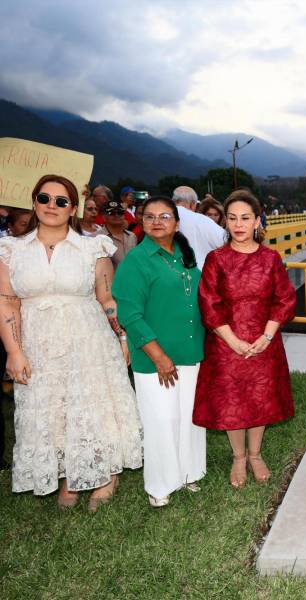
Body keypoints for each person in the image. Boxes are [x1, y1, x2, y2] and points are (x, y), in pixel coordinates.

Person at [0, 174, 142, 511]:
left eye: (61, 201)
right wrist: (14, 351)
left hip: (86, 338)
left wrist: (122, 336)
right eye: (44, 199)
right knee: (52, 407)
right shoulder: (11, 250)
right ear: (34, 203)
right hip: (37, 341)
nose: (52, 206)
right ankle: (68, 477)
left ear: (73, 208)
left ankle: (106, 474)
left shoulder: (93, 246)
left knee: (92, 405)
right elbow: (7, 302)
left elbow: (107, 297)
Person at [193, 190, 296, 488]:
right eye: (233, 218)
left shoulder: (271, 258)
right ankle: (238, 456)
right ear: (226, 222)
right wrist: (232, 340)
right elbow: (208, 303)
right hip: (226, 341)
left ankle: (255, 453)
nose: (238, 225)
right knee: (232, 400)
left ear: (257, 221)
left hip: (264, 339)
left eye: (245, 218)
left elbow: (285, 299)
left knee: (259, 397)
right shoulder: (216, 259)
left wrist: (267, 334)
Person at [113, 196, 206, 507]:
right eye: (149, 216)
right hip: (155, 356)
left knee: (188, 416)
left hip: (190, 349)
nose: (156, 222)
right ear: (141, 222)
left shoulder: (183, 253)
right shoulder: (136, 261)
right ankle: (160, 483)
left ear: (177, 223)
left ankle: (188, 471)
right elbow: (129, 314)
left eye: (164, 216)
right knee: (161, 418)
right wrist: (159, 356)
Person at [172, 186, 225, 270]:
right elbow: (226, 242)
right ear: (193, 204)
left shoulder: (159, 220)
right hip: (200, 275)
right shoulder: (203, 220)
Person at [98, 199, 137, 268]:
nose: (116, 215)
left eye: (120, 212)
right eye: (111, 213)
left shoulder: (132, 236)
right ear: (104, 217)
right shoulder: (97, 237)